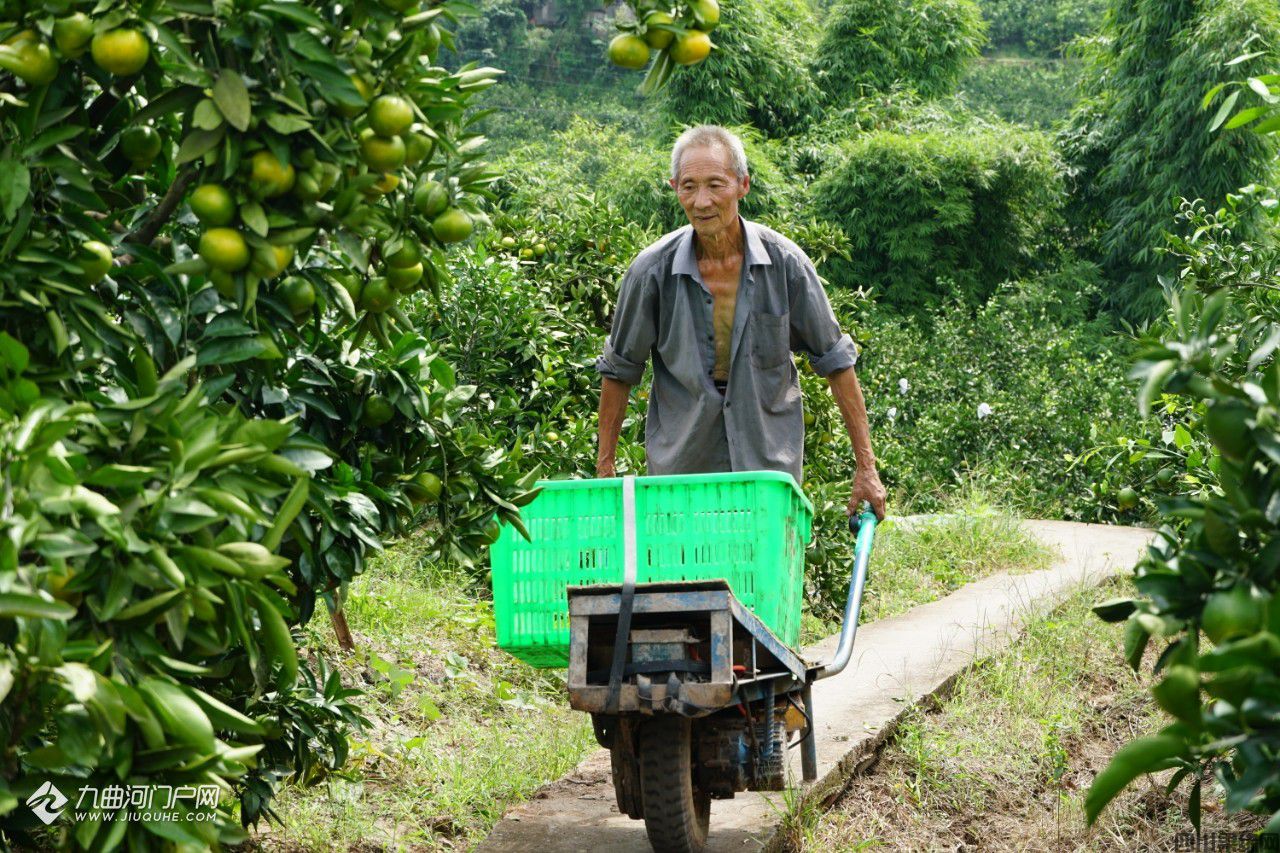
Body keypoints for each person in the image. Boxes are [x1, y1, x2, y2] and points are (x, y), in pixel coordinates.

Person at [594, 125, 886, 522]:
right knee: (688, 578)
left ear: (742, 185)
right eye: (688, 186)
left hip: (768, 464)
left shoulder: (786, 264)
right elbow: (619, 370)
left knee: (763, 577)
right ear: (674, 187)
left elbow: (836, 361)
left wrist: (866, 469)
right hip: (684, 462)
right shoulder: (651, 272)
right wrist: (604, 471)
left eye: (716, 185)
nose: (701, 201)